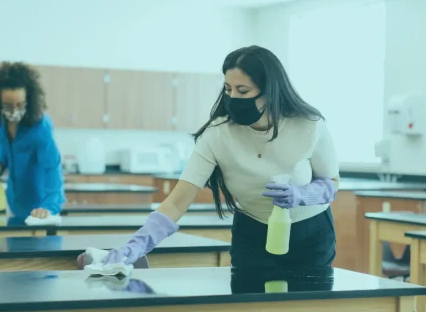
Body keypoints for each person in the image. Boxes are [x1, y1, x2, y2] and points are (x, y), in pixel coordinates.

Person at [103, 45, 339, 268]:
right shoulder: (218, 134)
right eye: (228, 89)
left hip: (310, 232)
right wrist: (136, 247)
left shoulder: (308, 125)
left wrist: (303, 194)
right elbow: (177, 201)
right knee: (249, 305)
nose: (233, 97)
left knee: (305, 307)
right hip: (252, 229)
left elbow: (332, 184)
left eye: (243, 90)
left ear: (270, 91)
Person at [0, 62, 65, 221]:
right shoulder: (2, 121)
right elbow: (4, 151)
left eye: (20, 105)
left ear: (29, 101)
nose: (13, 111)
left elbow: (53, 170)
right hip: (14, 204)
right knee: (13, 245)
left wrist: (48, 208)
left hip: (40, 211)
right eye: (7, 106)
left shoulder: (41, 129)